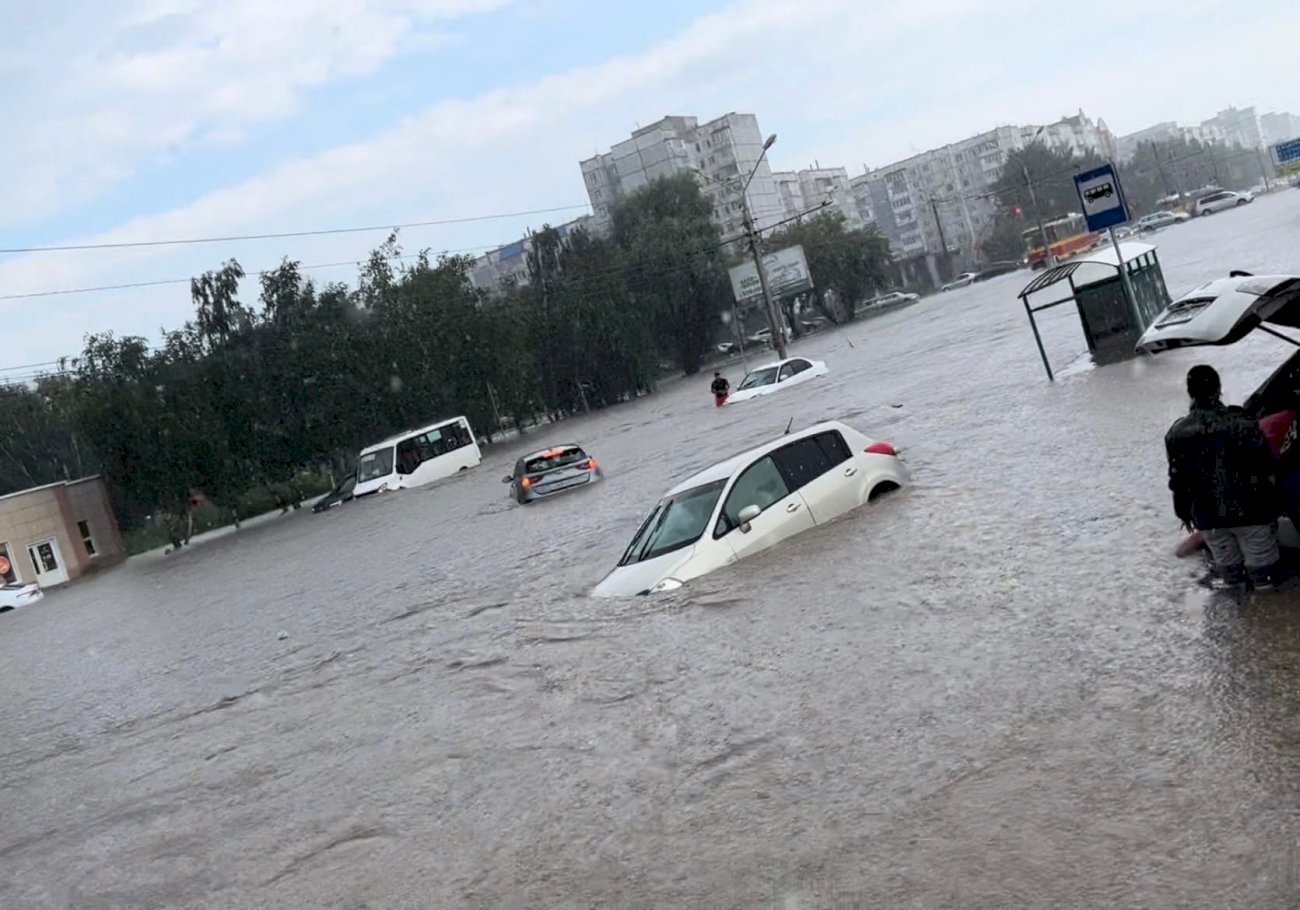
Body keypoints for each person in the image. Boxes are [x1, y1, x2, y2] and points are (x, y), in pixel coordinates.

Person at [1166, 365, 1281, 589]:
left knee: (1233, 583)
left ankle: (1238, 619)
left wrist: (1184, 514)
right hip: (1252, 514)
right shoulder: (1242, 422)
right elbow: (1267, 466)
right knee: (1265, 583)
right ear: (1219, 389)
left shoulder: (1176, 433)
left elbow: (1177, 481)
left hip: (1210, 520)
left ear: (1190, 392)